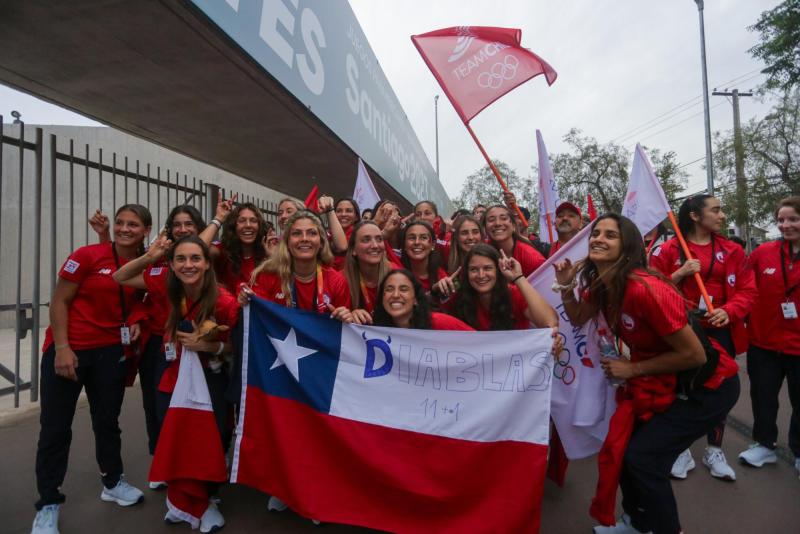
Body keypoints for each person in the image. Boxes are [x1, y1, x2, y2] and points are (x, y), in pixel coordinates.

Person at [553, 214, 739, 534]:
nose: (598, 238)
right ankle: (638, 522)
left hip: (708, 387)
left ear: (627, 247)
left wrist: (632, 368)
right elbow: (578, 316)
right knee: (625, 450)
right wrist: (568, 285)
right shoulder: (603, 285)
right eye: (596, 233)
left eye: (610, 235)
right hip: (662, 381)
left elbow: (693, 354)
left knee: (643, 459)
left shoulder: (645, 289)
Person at [31, 204, 152, 534]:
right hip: (70, 349)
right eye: (120, 222)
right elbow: (60, 301)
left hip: (111, 351)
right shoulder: (87, 255)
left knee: (107, 421)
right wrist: (62, 347)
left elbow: (144, 301)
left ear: (146, 231)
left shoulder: (147, 263)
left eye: (134, 224)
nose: (125, 228)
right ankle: (48, 503)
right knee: (56, 428)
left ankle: (112, 482)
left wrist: (138, 320)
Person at [650, 194, 756, 481]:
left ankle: (714, 450)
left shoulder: (733, 251)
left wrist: (728, 311)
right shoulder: (669, 250)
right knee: (681, 389)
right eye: (717, 210)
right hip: (681, 332)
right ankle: (680, 449)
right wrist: (679, 273)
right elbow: (648, 289)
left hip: (721, 331)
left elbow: (748, 291)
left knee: (717, 390)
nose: (722, 216)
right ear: (695, 216)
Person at [112, 204, 218, 475]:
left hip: (198, 347)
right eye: (177, 224)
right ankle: (162, 461)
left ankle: (204, 464)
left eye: (189, 224)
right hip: (160, 346)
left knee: (201, 405)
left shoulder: (208, 261)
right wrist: (152, 256)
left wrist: (219, 220)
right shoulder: (161, 269)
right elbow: (122, 278)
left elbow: (203, 249)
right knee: (157, 405)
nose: (182, 229)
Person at [145, 235, 240, 532]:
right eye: (181, 259)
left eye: (195, 258)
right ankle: (181, 499)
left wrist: (210, 348)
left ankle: (208, 499)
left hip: (211, 376)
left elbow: (238, 349)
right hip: (172, 374)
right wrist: (151, 257)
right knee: (173, 433)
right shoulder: (166, 292)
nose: (189, 265)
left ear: (207, 264)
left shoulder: (225, 302)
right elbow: (122, 278)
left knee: (208, 436)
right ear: (171, 265)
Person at [738, 196, 800, 477]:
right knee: (763, 398)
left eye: (793, 219)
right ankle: (764, 444)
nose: (785, 225)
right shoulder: (763, 253)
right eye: (781, 220)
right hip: (763, 343)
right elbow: (743, 287)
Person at [245, 210, 352, 317]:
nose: (304, 239)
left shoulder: (337, 282)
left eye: (312, 233)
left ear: (321, 242)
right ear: (287, 242)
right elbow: (257, 319)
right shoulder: (267, 275)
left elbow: (344, 331)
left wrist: (344, 318)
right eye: (297, 233)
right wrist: (245, 301)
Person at [438, 244, 558, 331]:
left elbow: (550, 322)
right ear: (466, 273)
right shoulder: (459, 297)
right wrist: (437, 290)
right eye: (474, 269)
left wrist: (518, 277)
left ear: (498, 270)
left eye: (487, 268)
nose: (481, 275)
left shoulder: (513, 293)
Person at [372, 269, 473, 331]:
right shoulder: (376, 330)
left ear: (416, 299)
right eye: (389, 289)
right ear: (382, 298)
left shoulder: (438, 322)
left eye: (404, 289)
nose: (395, 295)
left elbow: (480, 342)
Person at [343, 221, 399, 325]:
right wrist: (349, 315)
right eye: (366, 240)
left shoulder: (396, 274)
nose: (375, 245)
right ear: (354, 250)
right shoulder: (341, 279)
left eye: (379, 239)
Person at [214, 202, 270, 294]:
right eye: (242, 220)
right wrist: (218, 220)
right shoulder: (222, 251)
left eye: (253, 220)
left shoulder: (268, 254)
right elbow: (196, 250)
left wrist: (272, 257)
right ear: (233, 226)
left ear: (260, 226)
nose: (248, 225)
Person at [483, 204, 545, 277]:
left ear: (513, 225)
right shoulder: (481, 251)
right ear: (485, 227)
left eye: (503, 218)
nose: (497, 223)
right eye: (491, 220)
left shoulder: (533, 258)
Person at [399, 220, 446, 293]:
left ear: (433, 245)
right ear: (404, 244)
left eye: (423, 238)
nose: (417, 242)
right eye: (412, 238)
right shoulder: (396, 271)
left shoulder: (442, 277)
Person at [330, 196, 360, 270]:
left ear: (356, 217)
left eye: (349, 211)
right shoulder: (326, 236)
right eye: (339, 211)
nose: (343, 214)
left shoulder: (360, 237)